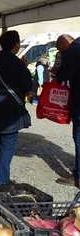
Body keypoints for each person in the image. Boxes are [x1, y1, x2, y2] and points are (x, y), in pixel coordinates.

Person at [0, 30, 32, 185]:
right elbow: (27, 86)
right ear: (16, 45)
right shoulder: (17, 63)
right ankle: (2, 180)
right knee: (8, 145)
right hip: (9, 111)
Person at [56, 36, 80, 187]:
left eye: (60, 50)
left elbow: (63, 76)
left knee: (79, 138)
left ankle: (78, 178)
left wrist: (57, 72)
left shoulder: (73, 50)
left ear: (64, 45)